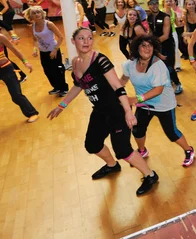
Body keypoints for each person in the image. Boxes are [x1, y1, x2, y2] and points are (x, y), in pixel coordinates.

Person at [47, 27, 158, 196]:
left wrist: (128, 111)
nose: (86, 41)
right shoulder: (76, 62)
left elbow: (117, 86)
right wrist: (62, 105)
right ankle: (112, 165)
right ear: (73, 41)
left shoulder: (99, 60)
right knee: (92, 144)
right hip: (100, 111)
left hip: (117, 110)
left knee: (123, 150)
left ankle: (150, 175)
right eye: (81, 38)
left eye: (89, 38)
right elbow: (79, 86)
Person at [120, 34, 195, 166]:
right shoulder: (130, 65)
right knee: (138, 130)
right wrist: (116, 92)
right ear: (137, 48)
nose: (147, 48)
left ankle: (189, 150)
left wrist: (135, 99)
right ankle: (142, 150)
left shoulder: (158, 66)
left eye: (150, 46)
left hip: (163, 104)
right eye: (143, 45)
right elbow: (123, 81)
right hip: (144, 104)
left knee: (171, 133)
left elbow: (158, 90)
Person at [24, 6, 69, 97]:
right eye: (34, 13)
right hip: (43, 52)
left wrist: (55, 50)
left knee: (58, 69)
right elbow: (35, 40)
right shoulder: (33, 26)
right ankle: (56, 87)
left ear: (42, 13)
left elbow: (60, 37)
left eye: (38, 12)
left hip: (53, 50)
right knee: (47, 71)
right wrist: (35, 49)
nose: (37, 14)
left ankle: (63, 88)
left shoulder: (49, 24)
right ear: (30, 16)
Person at [147, 0, 183, 94]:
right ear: (148, 6)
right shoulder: (149, 17)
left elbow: (166, 36)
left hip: (167, 46)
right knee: (156, 66)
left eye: (156, 3)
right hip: (156, 46)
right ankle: (162, 85)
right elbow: (150, 31)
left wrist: (152, 43)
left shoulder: (165, 17)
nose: (154, 6)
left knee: (169, 67)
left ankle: (177, 83)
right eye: (152, 4)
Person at [0, 33, 38, 122]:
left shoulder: (1, 37)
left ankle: (32, 113)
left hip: (6, 69)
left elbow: (14, 49)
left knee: (16, 95)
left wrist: (25, 62)